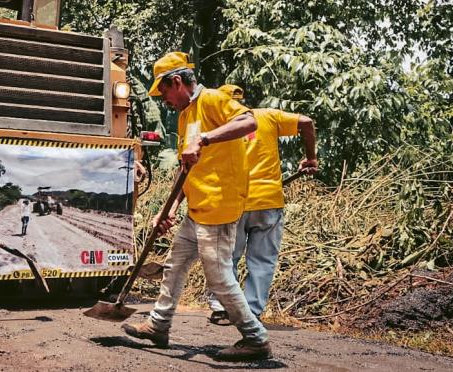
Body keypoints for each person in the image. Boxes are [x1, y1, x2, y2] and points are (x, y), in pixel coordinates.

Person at [121, 52, 271, 362]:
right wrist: (170, 208)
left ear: (176, 82)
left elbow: (248, 120)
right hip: (196, 207)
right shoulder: (185, 114)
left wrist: (204, 138)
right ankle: (158, 325)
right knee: (175, 265)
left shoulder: (214, 100)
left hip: (219, 206)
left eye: (163, 92)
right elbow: (186, 167)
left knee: (218, 277)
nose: (163, 100)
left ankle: (255, 338)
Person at [206, 85, 318, 324]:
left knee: (225, 257)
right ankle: (252, 312)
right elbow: (307, 122)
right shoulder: (267, 116)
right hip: (268, 201)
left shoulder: (215, 128)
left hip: (232, 203)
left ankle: (221, 308)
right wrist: (311, 157)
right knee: (262, 260)